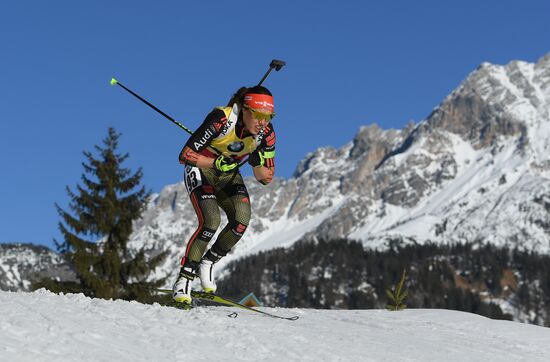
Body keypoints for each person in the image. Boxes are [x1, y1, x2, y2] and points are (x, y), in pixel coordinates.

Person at [172, 85, 276, 304]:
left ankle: (207, 262)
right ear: (244, 109)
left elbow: (266, 177)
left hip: (228, 173)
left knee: (241, 220)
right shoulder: (222, 119)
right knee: (211, 221)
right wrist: (215, 162)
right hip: (202, 168)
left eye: (268, 116)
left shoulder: (266, 134)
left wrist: (258, 161)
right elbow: (186, 155)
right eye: (258, 115)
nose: (263, 122)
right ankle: (184, 280)